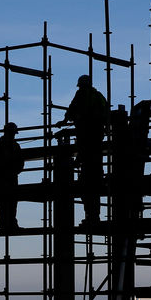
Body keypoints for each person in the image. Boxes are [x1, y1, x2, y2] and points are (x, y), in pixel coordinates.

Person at [55, 74, 108, 226]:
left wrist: (66, 120)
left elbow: (72, 109)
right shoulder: (98, 96)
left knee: (88, 181)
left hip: (87, 135)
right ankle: (93, 216)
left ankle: (92, 216)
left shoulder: (82, 96)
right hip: (95, 136)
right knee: (94, 176)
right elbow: (106, 113)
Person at [0, 122, 24, 231]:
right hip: (3, 177)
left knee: (11, 202)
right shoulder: (0, 145)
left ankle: (11, 224)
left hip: (10, 177)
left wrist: (15, 170)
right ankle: (5, 225)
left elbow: (20, 161)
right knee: (4, 203)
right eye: (12, 133)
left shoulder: (13, 145)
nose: (13, 135)